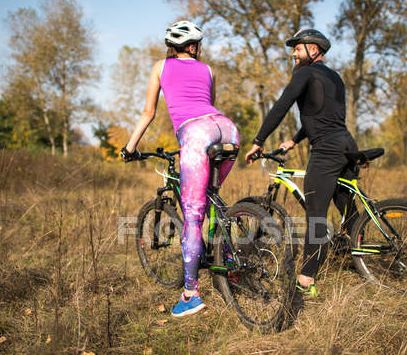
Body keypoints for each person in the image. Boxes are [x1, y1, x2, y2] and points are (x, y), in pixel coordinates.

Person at [122, 20, 239, 317]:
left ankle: (190, 295)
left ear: (171, 47)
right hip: (227, 129)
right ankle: (227, 260)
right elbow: (208, 106)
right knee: (213, 199)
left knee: (193, 213)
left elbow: (149, 112)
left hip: (196, 134)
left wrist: (130, 147)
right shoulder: (209, 70)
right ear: (195, 46)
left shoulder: (161, 67)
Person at [244, 28, 358, 298]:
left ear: (314, 50)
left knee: (316, 214)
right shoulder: (334, 77)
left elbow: (282, 105)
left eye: (298, 49)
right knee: (347, 208)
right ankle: (360, 260)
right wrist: (295, 140)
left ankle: (306, 279)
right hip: (347, 145)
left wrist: (259, 140)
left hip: (327, 149)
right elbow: (322, 116)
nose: (293, 54)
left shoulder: (304, 73)